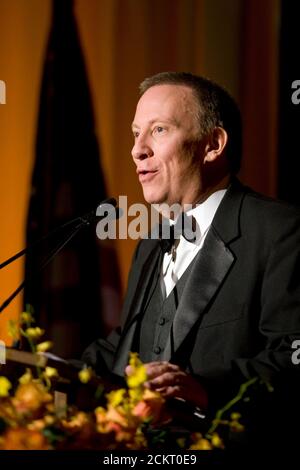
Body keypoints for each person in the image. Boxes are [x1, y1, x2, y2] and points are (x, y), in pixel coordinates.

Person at [82, 72, 300, 440]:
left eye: (159, 130)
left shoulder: (280, 230)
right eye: (136, 133)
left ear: (213, 144)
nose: (138, 149)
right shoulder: (151, 244)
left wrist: (206, 390)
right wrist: (36, 371)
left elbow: (290, 354)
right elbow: (122, 348)